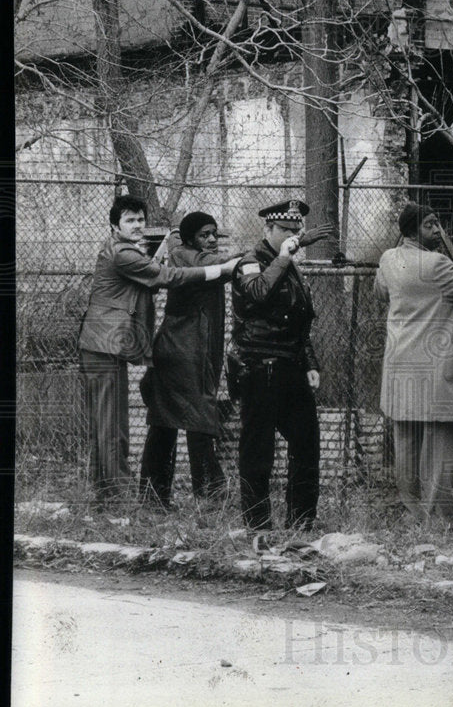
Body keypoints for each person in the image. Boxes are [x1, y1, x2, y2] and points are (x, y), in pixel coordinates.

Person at [78, 195, 239, 507]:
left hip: (107, 347)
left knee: (113, 428)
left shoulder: (127, 250)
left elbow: (150, 275)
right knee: (111, 430)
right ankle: (117, 501)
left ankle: (109, 498)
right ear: (115, 224)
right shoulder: (122, 252)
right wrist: (221, 270)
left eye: (141, 219)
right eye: (130, 220)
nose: (138, 225)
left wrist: (165, 247)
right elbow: (164, 277)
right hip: (102, 347)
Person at [375, 201, 453, 526]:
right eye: (431, 224)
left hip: (401, 367)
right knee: (439, 441)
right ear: (413, 230)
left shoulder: (388, 259)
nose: (438, 229)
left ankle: (412, 512)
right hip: (435, 369)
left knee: (404, 437)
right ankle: (437, 518)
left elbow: (380, 293)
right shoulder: (436, 264)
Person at [228, 199, 333, 532]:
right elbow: (257, 294)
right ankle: (258, 525)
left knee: (306, 442)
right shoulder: (251, 262)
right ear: (268, 229)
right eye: (285, 230)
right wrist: (286, 255)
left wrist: (310, 362)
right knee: (258, 450)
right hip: (259, 367)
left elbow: (299, 320)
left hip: (291, 366)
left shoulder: (287, 265)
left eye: (296, 230)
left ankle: (301, 522)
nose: (292, 235)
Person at [137, 212, 233, 509]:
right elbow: (217, 265)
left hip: (193, 352)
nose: (212, 239)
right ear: (191, 238)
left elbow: (225, 267)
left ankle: (156, 499)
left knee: (172, 421)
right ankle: (207, 498)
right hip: (179, 352)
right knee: (194, 420)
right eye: (205, 234)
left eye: (214, 233)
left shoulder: (203, 256)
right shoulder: (183, 255)